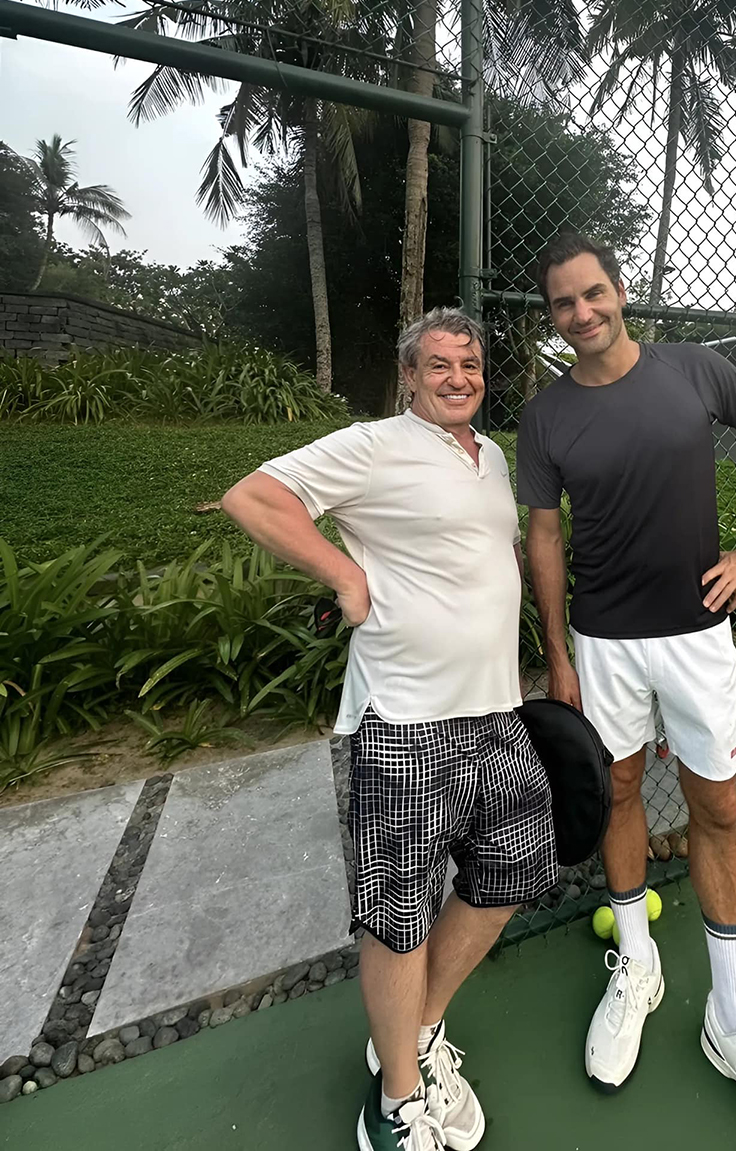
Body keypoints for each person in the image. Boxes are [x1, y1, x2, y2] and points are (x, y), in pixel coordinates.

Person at [518, 233, 736, 1151]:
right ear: (553, 318)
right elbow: (545, 537)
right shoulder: (544, 417)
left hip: (697, 639)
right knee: (617, 790)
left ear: (621, 292)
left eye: (593, 293)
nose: (581, 313)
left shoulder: (697, 371)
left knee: (718, 808)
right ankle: (638, 965)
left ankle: (733, 1022)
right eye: (563, 303)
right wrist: (558, 654)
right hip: (601, 643)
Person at [223, 308, 558, 1151]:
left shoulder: (490, 457)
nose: (458, 378)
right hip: (405, 721)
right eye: (438, 365)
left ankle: (416, 1030)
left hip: (496, 714)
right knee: (398, 915)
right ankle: (397, 1101)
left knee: (513, 872)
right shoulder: (374, 446)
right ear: (409, 376)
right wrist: (343, 574)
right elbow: (253, 497)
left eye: (470, 365)